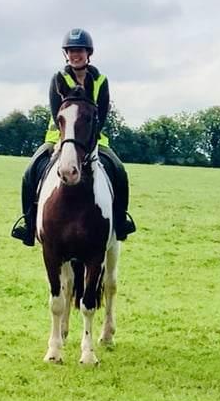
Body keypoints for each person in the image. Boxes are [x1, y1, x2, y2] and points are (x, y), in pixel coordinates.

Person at [11, 28, 136, 246]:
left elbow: (103, 114)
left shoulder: (101, 80)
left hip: (93, 138)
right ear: (66, 54)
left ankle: (120, 221)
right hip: (58, 137)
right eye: (70, 51)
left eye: (79, 50)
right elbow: (54, 111)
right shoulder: (58, 79)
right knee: (30, 171)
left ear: (88, 53)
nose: (75, 55)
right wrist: (62, 139)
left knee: (119, 170)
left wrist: (91, 139)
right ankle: (28, 224)